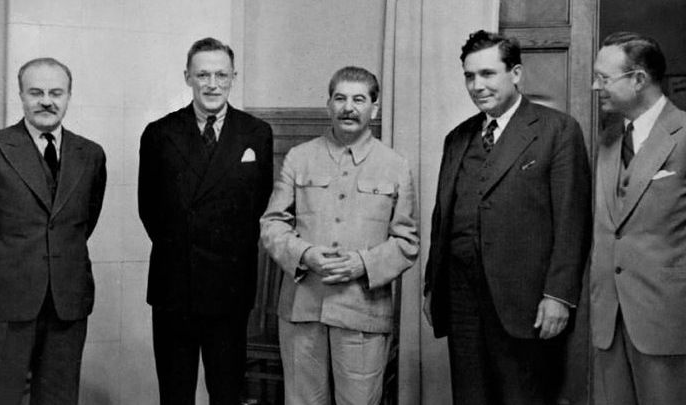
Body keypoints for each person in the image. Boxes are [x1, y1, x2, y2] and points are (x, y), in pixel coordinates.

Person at [423, 30, 591, 405]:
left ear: (515, 74)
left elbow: (572, 222)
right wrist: (433, 286)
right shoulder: (457, 138)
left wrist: (558, 296)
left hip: (526, 305)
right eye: (469, 76)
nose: (477, 85)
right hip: (462, 303)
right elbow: (442, 218)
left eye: (487, 74)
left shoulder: (557, 130)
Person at [260, 66, 418, 405]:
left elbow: (407, 243)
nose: (349, 107)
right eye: (340, 98)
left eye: (359, 100)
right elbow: (272, 224)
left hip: (363, 311)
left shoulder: (395, 165)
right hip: (302, 309)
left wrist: (363, 264)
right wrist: (304, 255)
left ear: (374, 108)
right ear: (328, 104)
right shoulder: (299, 157)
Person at [138, 37, 273, 405]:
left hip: (229, 287)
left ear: (233, 78)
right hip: (175, 286)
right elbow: (149, 209)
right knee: (175, 393)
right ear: (188, 77)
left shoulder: (256, 133)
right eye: (203, 75)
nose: (212, 84)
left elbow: (258, 205)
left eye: (221, 75)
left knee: (226, 392)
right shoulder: (159, 133)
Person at [0, 57, 107, 404]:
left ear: (69, 95)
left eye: (56, 93)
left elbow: (82, 224)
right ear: (21, 95)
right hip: (3, 302)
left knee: (59, 399)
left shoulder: (90, 154)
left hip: (66, 303)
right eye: (36, 92)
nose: (46, 101)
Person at [590, 32, 686, 405]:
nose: (595, 87)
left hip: (667, 322)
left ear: (639, 79)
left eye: (604, 78)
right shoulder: (609, 138)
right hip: (609, 320)